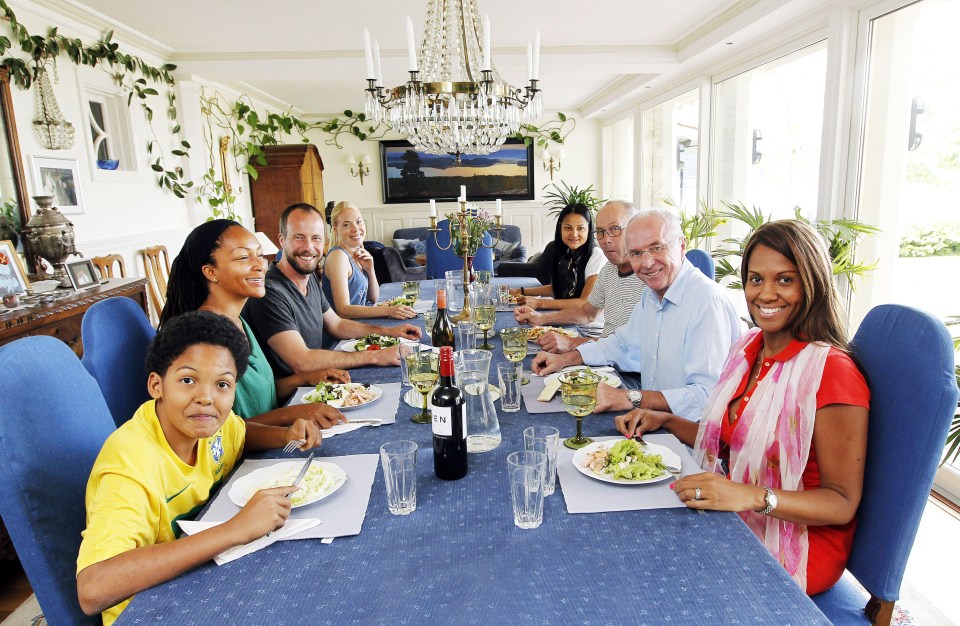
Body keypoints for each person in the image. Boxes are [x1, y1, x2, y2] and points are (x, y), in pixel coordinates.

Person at [618, 220, 870, 595]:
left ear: (811, 283)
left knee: (654, 572)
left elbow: (841, 502)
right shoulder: (750, 347)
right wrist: (667, 420)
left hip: (798, 543)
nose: (766, 294)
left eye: (785, 280)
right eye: (755, 279)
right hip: (742, 509)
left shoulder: (831, 372)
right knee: (633, 536)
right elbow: (732, 442)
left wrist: (751, 496)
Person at [76, 311, 321, 625]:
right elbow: (93, 588)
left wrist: (286, 434)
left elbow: (241, 434)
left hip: (202, 577)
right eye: (188, 380)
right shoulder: (131, 464)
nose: (206, 398)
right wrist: (235, 530)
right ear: (156, 385)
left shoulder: (208, 426)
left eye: (222, 384)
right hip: (150, 610)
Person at [531, 209, 741, 421]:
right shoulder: (651, 295)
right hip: (650, 422)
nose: (647, 263)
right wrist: (566, 359)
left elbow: (707, 398)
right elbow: (621, 345)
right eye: (636, 253)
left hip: (691, 440)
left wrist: (628, 397)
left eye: (656, 248)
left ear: (682, 245)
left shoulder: (707, 303)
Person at [159, 219, 348, 429]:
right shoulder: (204, 338)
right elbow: (217, 434)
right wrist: (290, 415)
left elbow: (257, 395)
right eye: (243, 257)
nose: (260, 266)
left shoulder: (237, 322)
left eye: (259, 255)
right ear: (210, 272)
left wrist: (305, 378)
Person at [244, 203, 421, 377]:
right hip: (296, 393)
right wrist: (375, 356)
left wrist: (390, 331)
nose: (308, 247)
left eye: (316, 238)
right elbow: (302, 362)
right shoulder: (270, 292)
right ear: (282, 240)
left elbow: (337, 324)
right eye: (299, 237)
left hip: (324, 375)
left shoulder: (309, 276)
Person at [514, 200, 644, 353]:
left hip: (609, 352)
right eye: (601, 232)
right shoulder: (608, 269)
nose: (606, 239)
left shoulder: (649, 277)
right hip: (604, 351)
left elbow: (631, 347)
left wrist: (571, 344)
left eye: (615, 229)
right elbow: (586, 312)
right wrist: (541, 318)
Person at [509, 203, 607, 334]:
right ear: (560, 228)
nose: (574, 234)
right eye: (568, 228)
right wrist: (520, 291)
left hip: (588, 330)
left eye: (580, 228)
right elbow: (558, 289)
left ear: (589, 230)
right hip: (565, 321)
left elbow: (584, 303)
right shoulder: (566, 253)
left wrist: (539, 303)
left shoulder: (596, 256)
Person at [321, 201, 416, 320]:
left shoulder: (358, 253)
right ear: (335, 229)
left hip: (360, 325)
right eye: (346, 225)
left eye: (358, 222)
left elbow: (374, 298)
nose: (355, 229)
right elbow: (343, 310)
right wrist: (388, 310)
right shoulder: (338, 257)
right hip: (343, 335)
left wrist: (370, 270)